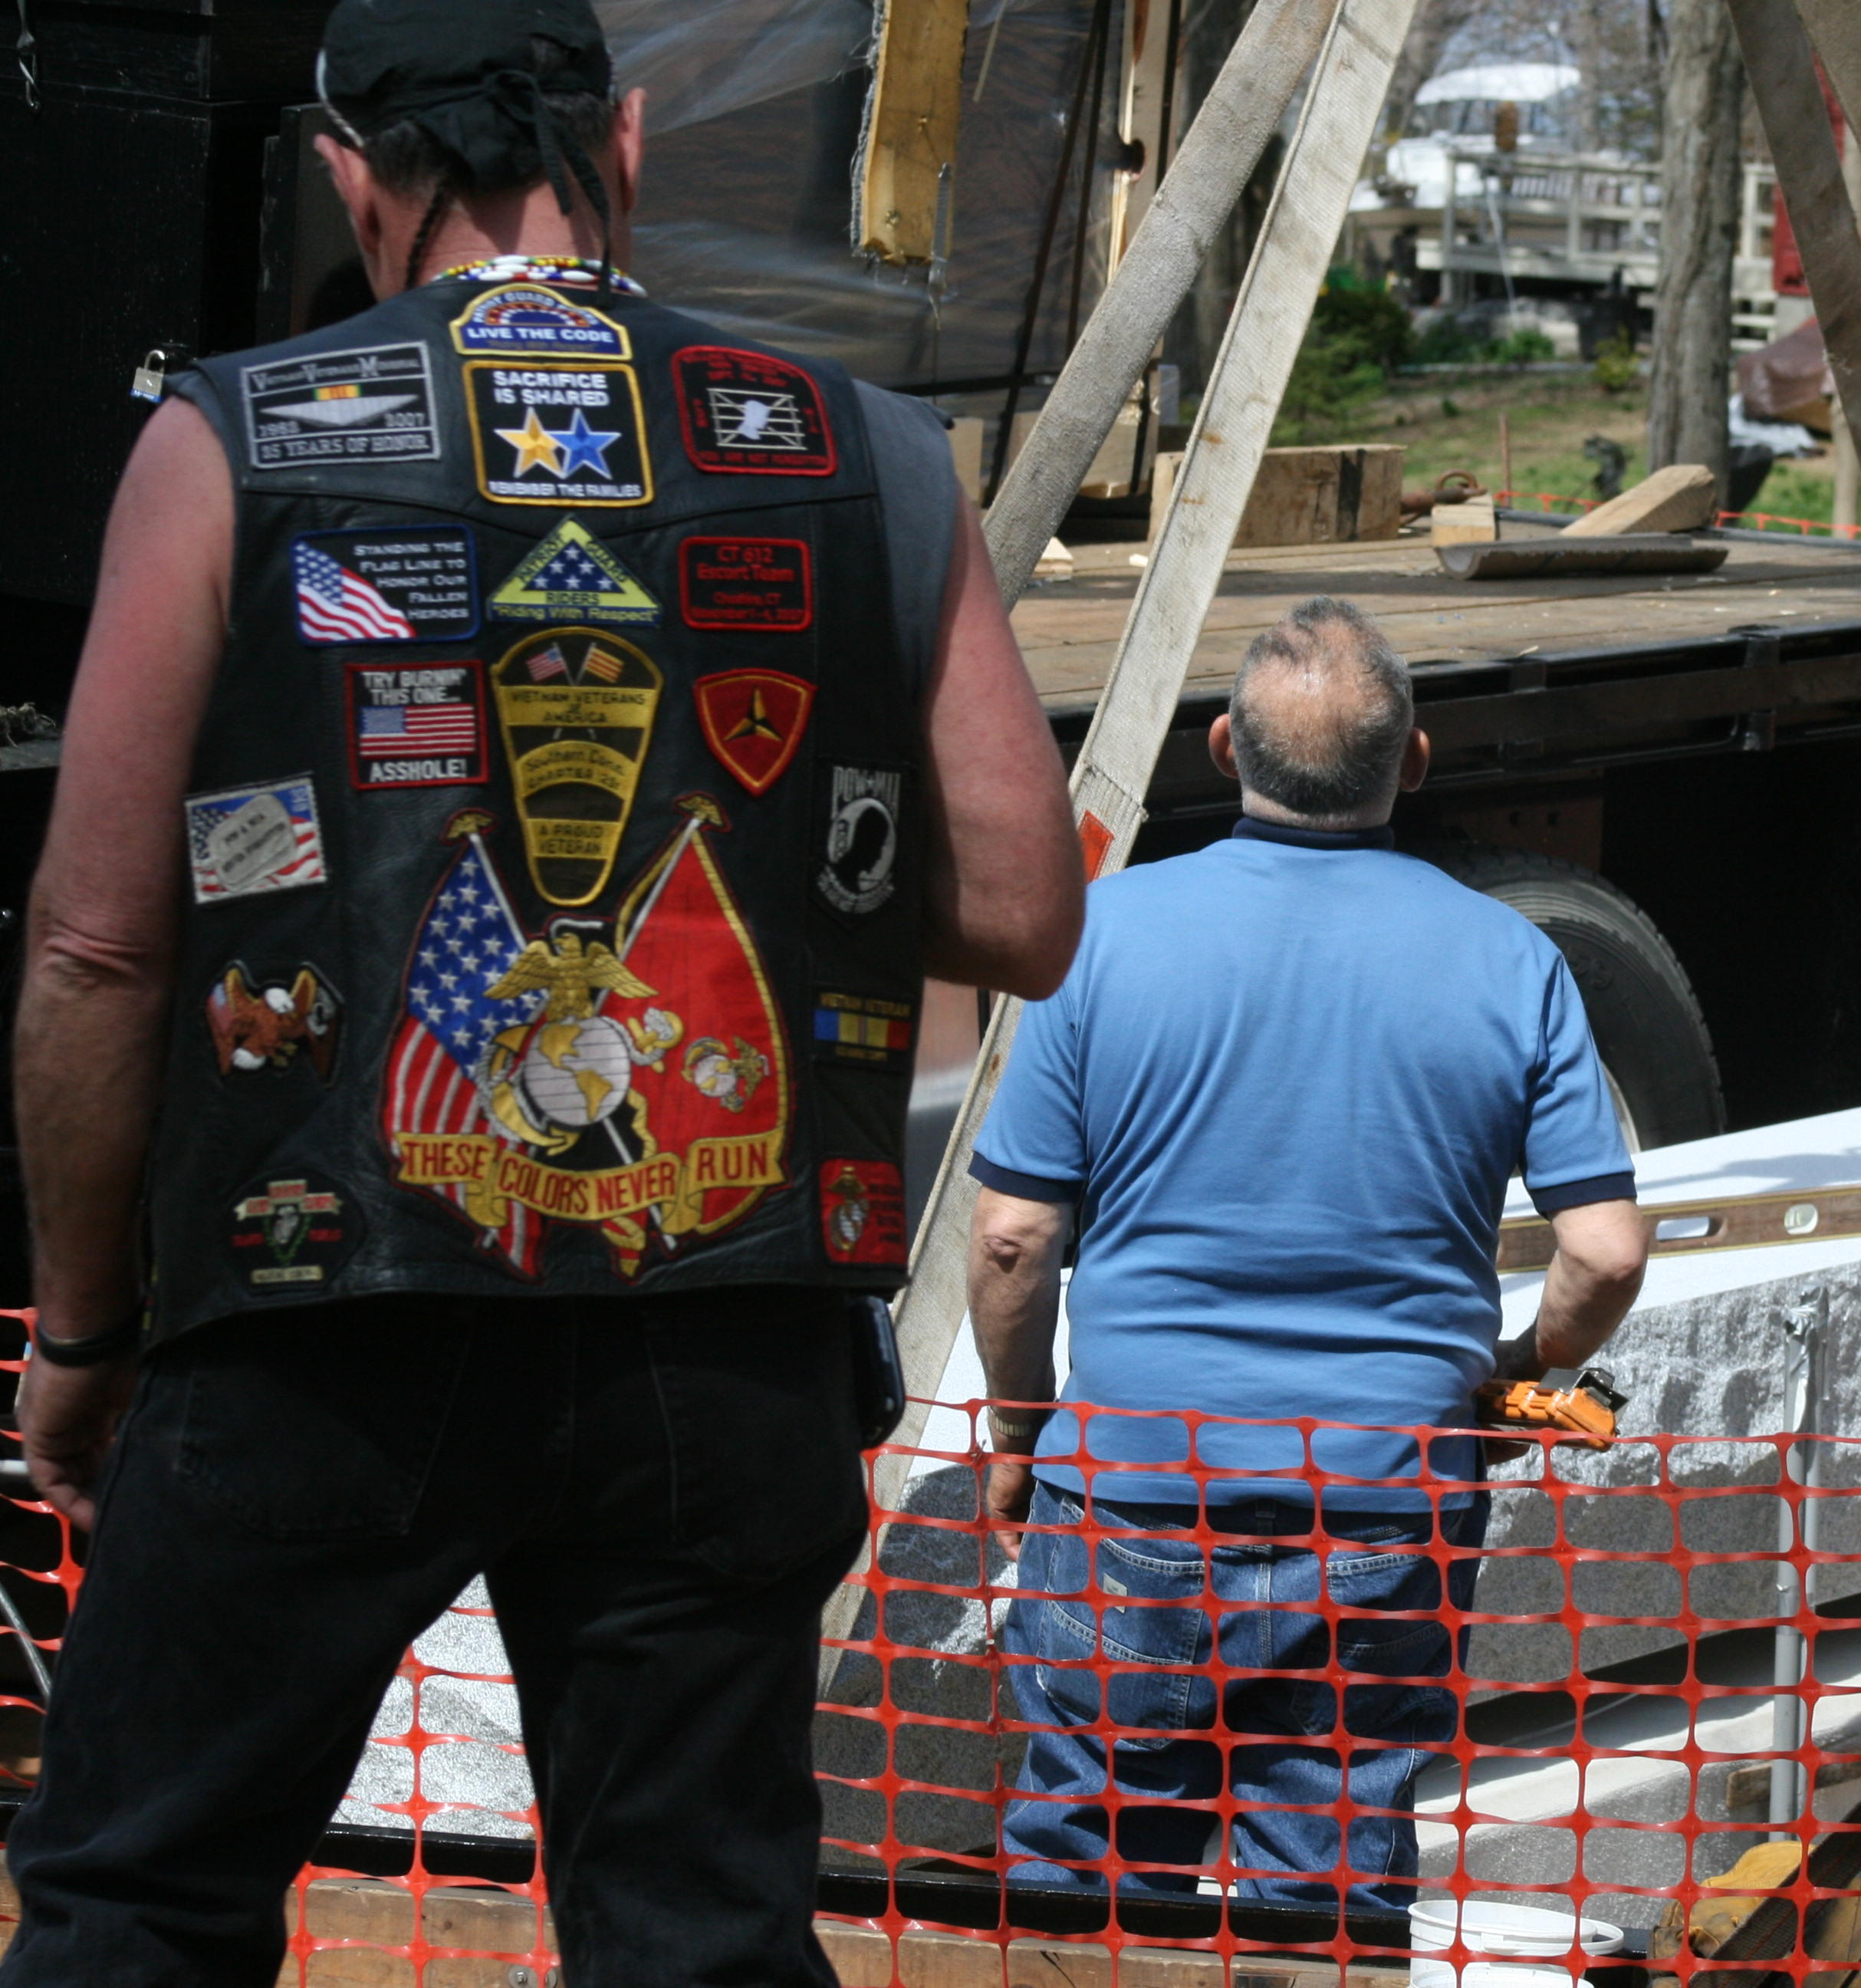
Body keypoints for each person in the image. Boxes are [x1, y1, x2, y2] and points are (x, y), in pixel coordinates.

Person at [2, 3, 1085, 1980]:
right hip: (726, 1317)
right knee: (696, 1930)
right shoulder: (866, 450)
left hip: (321, 1306)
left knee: (139, 1904)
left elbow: (94, 946)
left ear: (350, 173)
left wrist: (83, 1323)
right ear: (629, 144)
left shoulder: (228, 438)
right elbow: (1024, 912)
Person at [965, 596, 1649, 1908]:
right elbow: (1606, 1253)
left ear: (1225, 748)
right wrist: (1519, 1373)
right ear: (1415, 762)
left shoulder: (1100, 937)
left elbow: (1010, 1237)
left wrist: (1019, 1431)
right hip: (1385, 1504)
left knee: (1090, 1886)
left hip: (1135, 1489)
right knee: (1326, 1893)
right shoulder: (1512, 961)